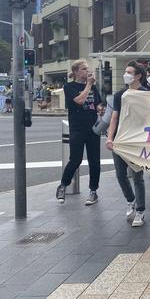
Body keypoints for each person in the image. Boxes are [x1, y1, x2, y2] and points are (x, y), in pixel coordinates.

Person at [105, 61, 148, 227]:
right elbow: (114, 117)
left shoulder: (145, 94)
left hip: (136, 140)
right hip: (119, 140)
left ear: (138, 76)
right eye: (126, 71)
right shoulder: (120, 94)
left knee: (138, 176)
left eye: (129, 72)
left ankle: (141, 210)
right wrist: (110, 137)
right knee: (120, 174)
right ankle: (131, 201)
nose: (126, 74)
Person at [56, 59, 104, 205]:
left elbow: (97, 104)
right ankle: (63, 185)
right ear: (76, 72)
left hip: (93, 129)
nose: (87, 71)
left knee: (94, 161)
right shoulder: (69, 86)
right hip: (77, 128)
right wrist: (89, 85)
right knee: (75, 159)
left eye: (87, 68)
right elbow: (79, 101)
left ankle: (93, 191)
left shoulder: (94, 88)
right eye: (83, 69)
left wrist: (100, 109)